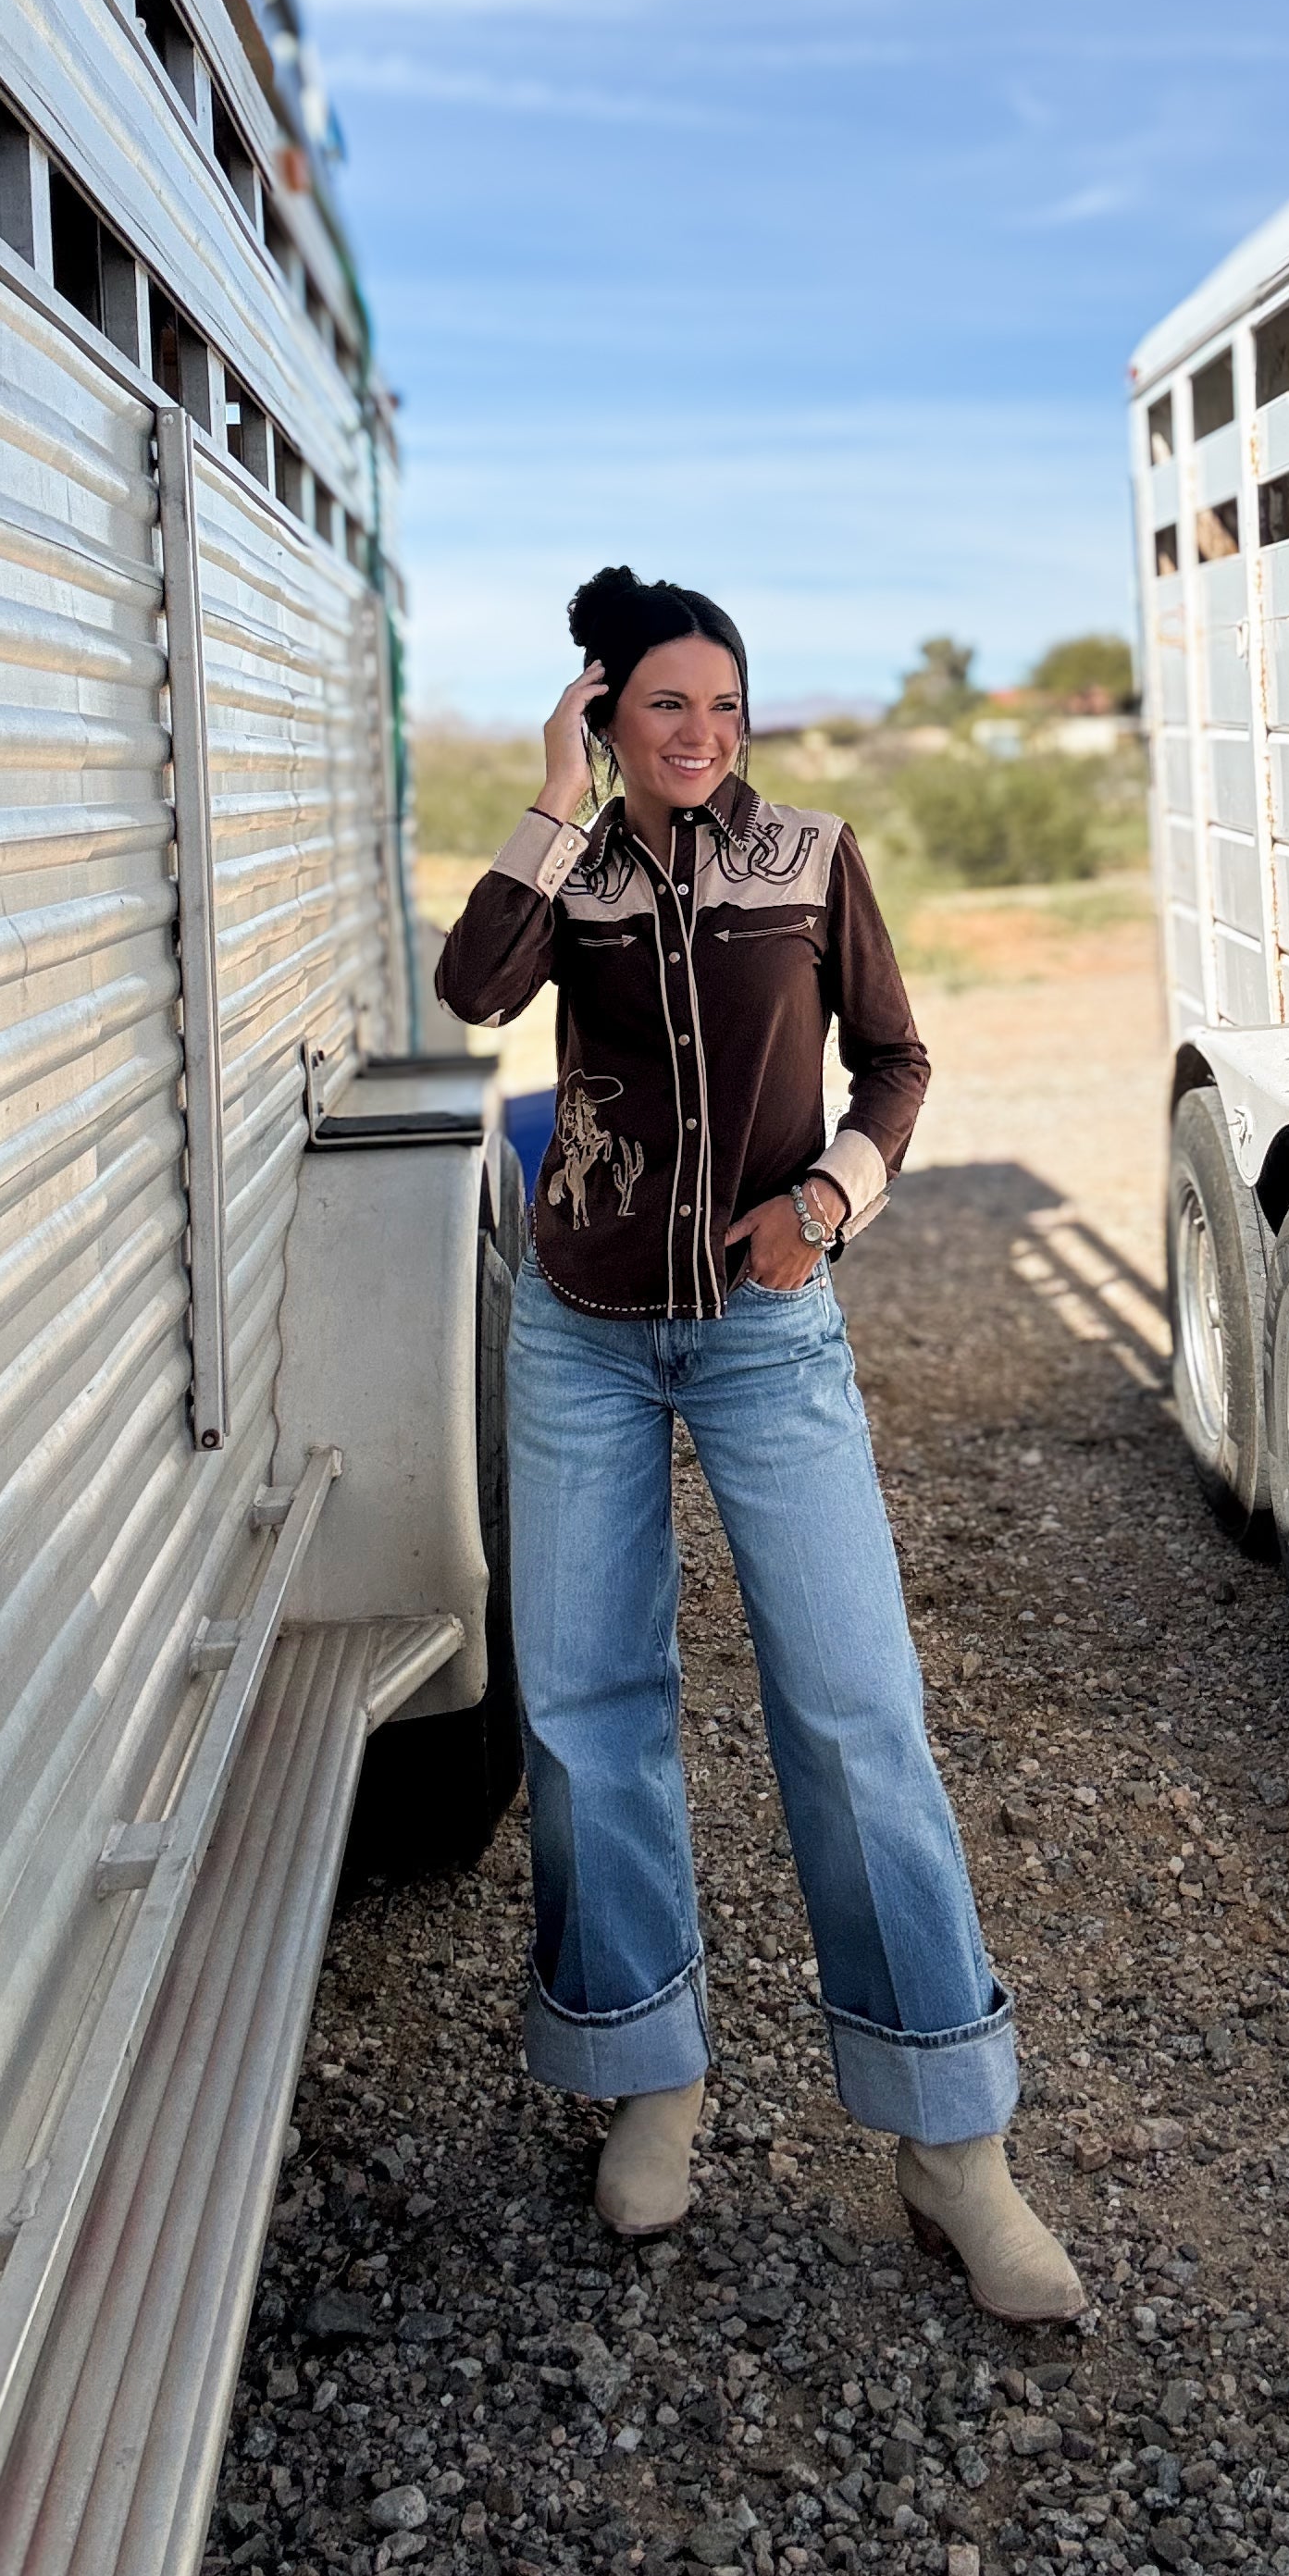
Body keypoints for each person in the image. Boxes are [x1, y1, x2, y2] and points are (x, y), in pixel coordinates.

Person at [434, 566, 1083, 2322]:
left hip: (767, 1336)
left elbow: (898, 1059)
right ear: (606, 716)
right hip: (579, 1334)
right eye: (666, 709)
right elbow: (471, 991)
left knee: (856, 1708)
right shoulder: (570, 864)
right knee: (583, 1705)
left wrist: (828, 1199)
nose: (705, 737)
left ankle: (952, 2141)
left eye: (726, 706)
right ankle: (655, 2074)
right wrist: (551, 806)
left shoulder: (815, 857)